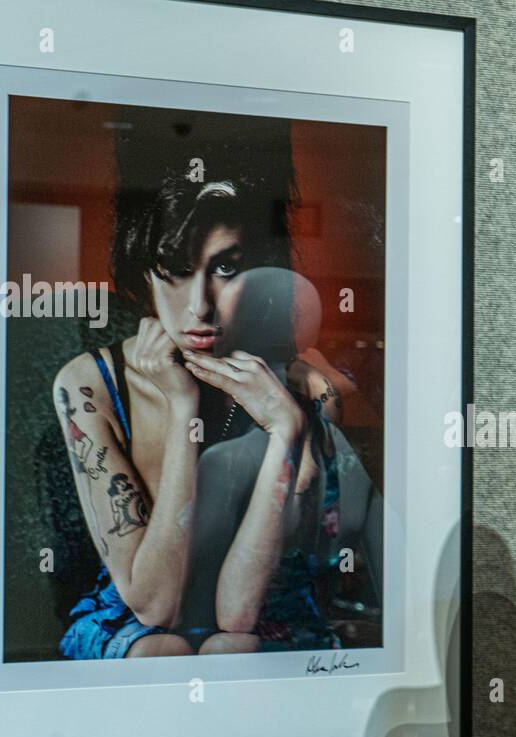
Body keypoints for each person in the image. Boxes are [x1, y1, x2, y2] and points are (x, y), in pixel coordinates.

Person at [53, 148, 350, 659]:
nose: (199, 306)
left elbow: (242, 614)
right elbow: (154, 605)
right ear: (143, 272)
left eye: (226, 269)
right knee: (157, 651)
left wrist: (285, 429)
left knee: (235, 647)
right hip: (135, 616)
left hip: (260, 618)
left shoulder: (303, 391)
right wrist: (182, 406)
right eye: (175, 269)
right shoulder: (89, 386)